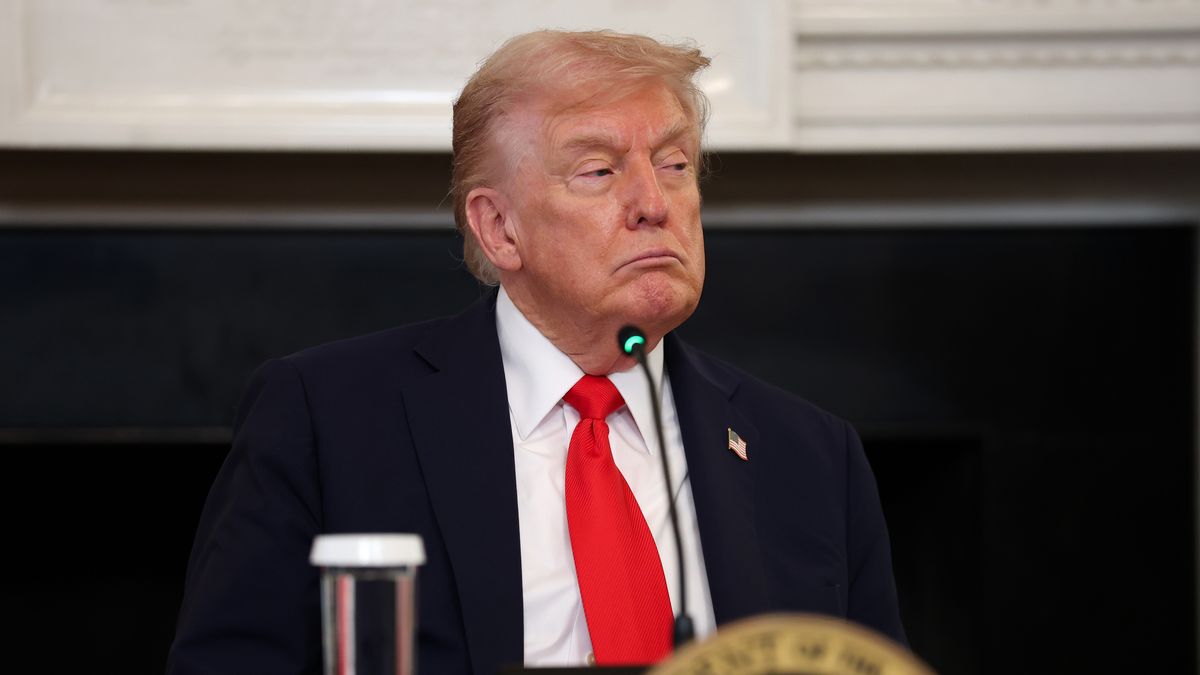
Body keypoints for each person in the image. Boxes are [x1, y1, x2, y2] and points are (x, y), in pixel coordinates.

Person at [167, 29, 904, 675]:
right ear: (499, 229)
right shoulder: (329, 419)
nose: (654, 203)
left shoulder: (810, 453)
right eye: (599, 170)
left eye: (674, 164)